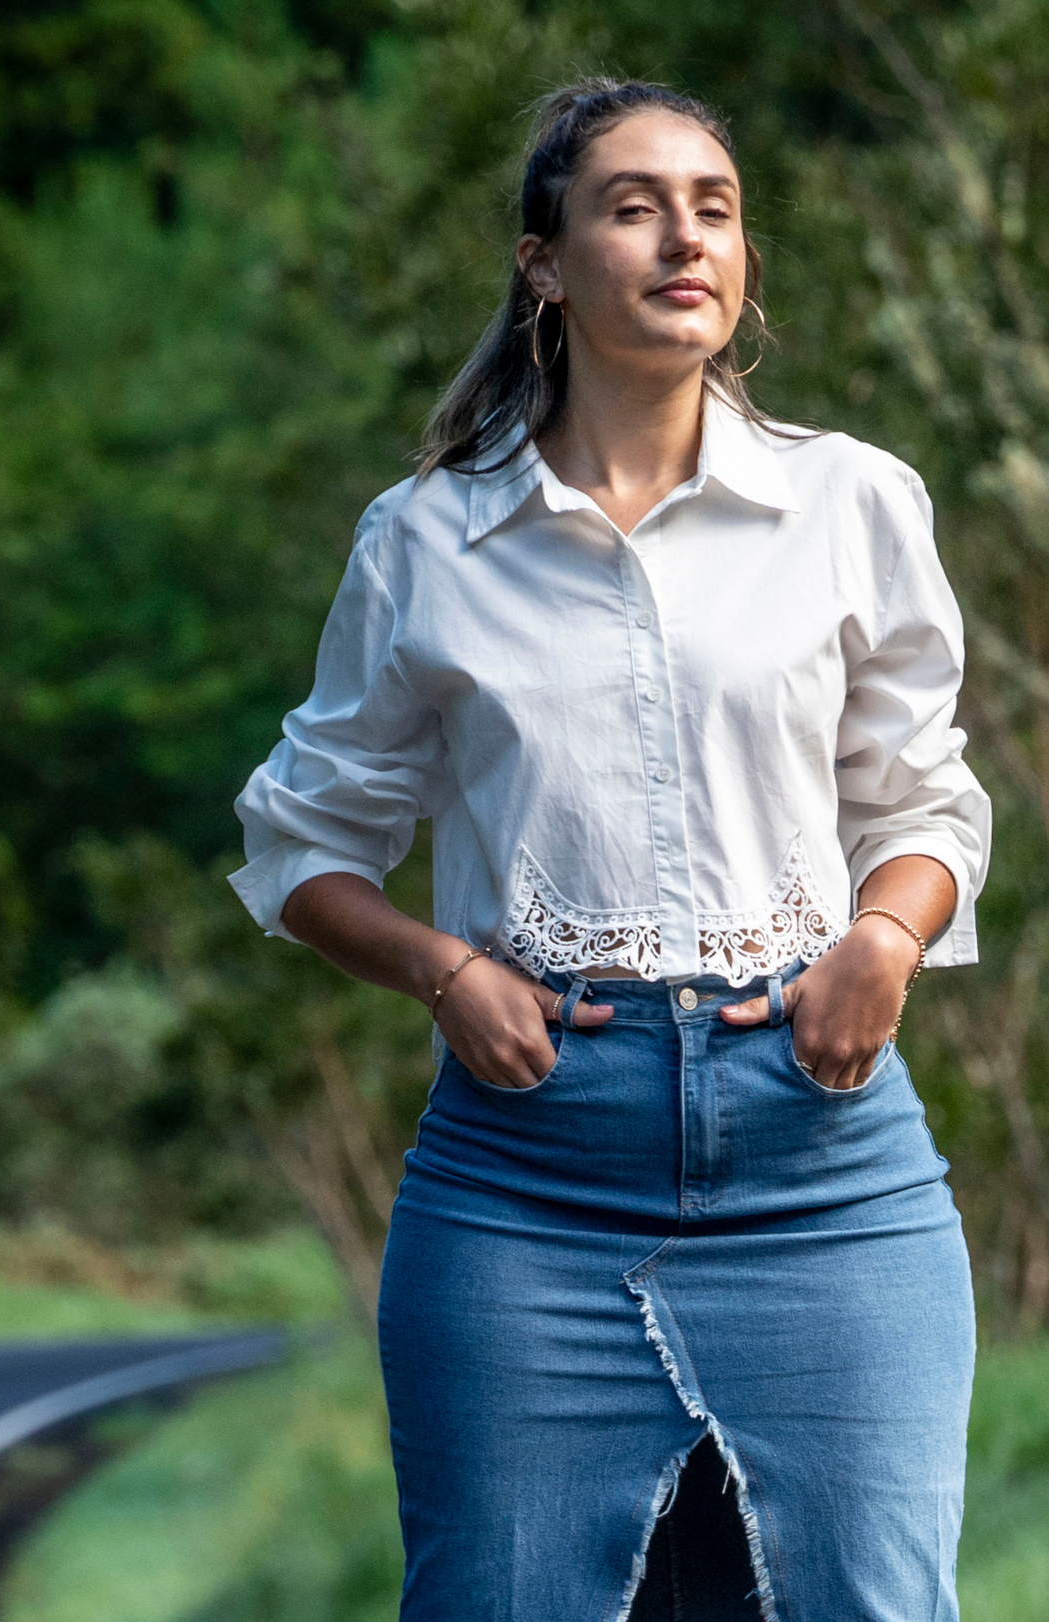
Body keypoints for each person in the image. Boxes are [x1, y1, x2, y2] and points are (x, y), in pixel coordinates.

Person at [229, 76, 991, 1622]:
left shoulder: (849, 502)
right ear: (544, 260)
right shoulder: (428, 539)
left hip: (824, 1157)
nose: (681, 239)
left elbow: (923, 801)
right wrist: (443, 970)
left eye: (711, 208)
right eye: (632, 206)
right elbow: (299, 843)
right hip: (526, 1173)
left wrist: (884, 942)